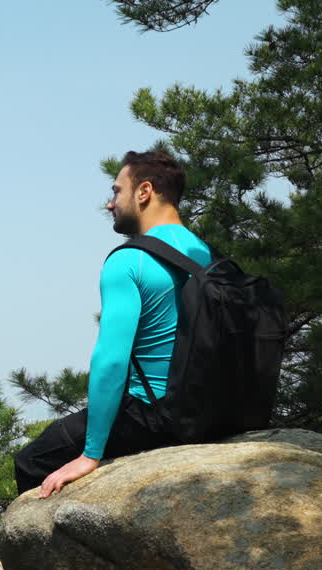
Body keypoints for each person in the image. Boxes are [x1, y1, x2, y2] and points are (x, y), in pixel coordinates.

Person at [14, 150, 212, 499]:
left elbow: (111, 361)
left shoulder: (130, 259)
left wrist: (91, 454)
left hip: (154, 414)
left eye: (116, 191)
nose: (110, 204)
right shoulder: (207, 255)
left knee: (32, 460)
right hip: (207, 409)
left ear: (144, 192)